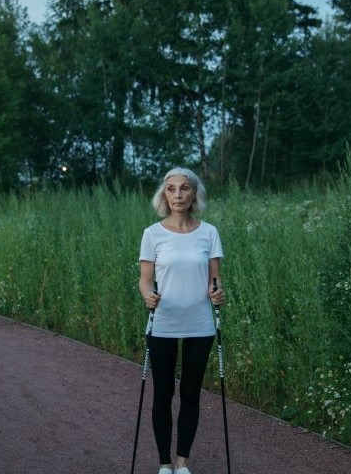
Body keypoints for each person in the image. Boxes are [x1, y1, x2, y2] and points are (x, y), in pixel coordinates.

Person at [138, 167, 225, 474]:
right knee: (163, 392)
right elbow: (145, 280)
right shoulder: (153, 234)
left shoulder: (209, 232)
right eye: (171, 189)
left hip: (200, 323)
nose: (178, 194)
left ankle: (182, 463)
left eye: (184, 189)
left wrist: (217, 294)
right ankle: (164, 464)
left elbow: (215, 280)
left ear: (194, 194)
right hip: (163, 322)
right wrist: (148, 295)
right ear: (164, 195)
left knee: (190, 392)